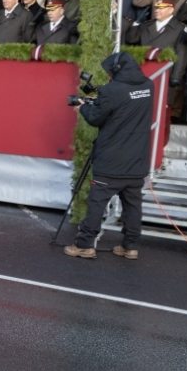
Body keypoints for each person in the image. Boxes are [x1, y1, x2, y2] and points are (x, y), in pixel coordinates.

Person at [65, 52, 155, 259]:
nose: (107, 77)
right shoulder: (148, 86)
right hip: (137, 161)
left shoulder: (111, 90)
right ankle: (130, 246)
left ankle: (85, 244)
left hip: (111, 162)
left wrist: (83, 107)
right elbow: (124, 105)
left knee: (97, 203)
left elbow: (96, 118)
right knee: (133, 206)